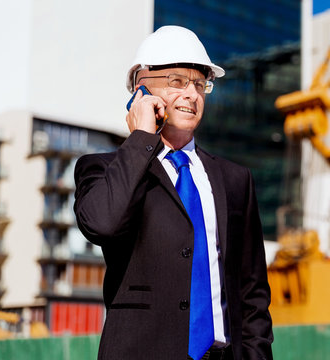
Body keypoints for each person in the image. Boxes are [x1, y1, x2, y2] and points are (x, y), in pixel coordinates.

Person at [73, 25, 273, 360]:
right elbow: (101, 224)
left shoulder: (236, 180)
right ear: (141, 90)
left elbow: (252, 291)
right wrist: (140, 138)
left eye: (200, 84)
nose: (192, 94)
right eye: (177, 82)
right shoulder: (105, 168)